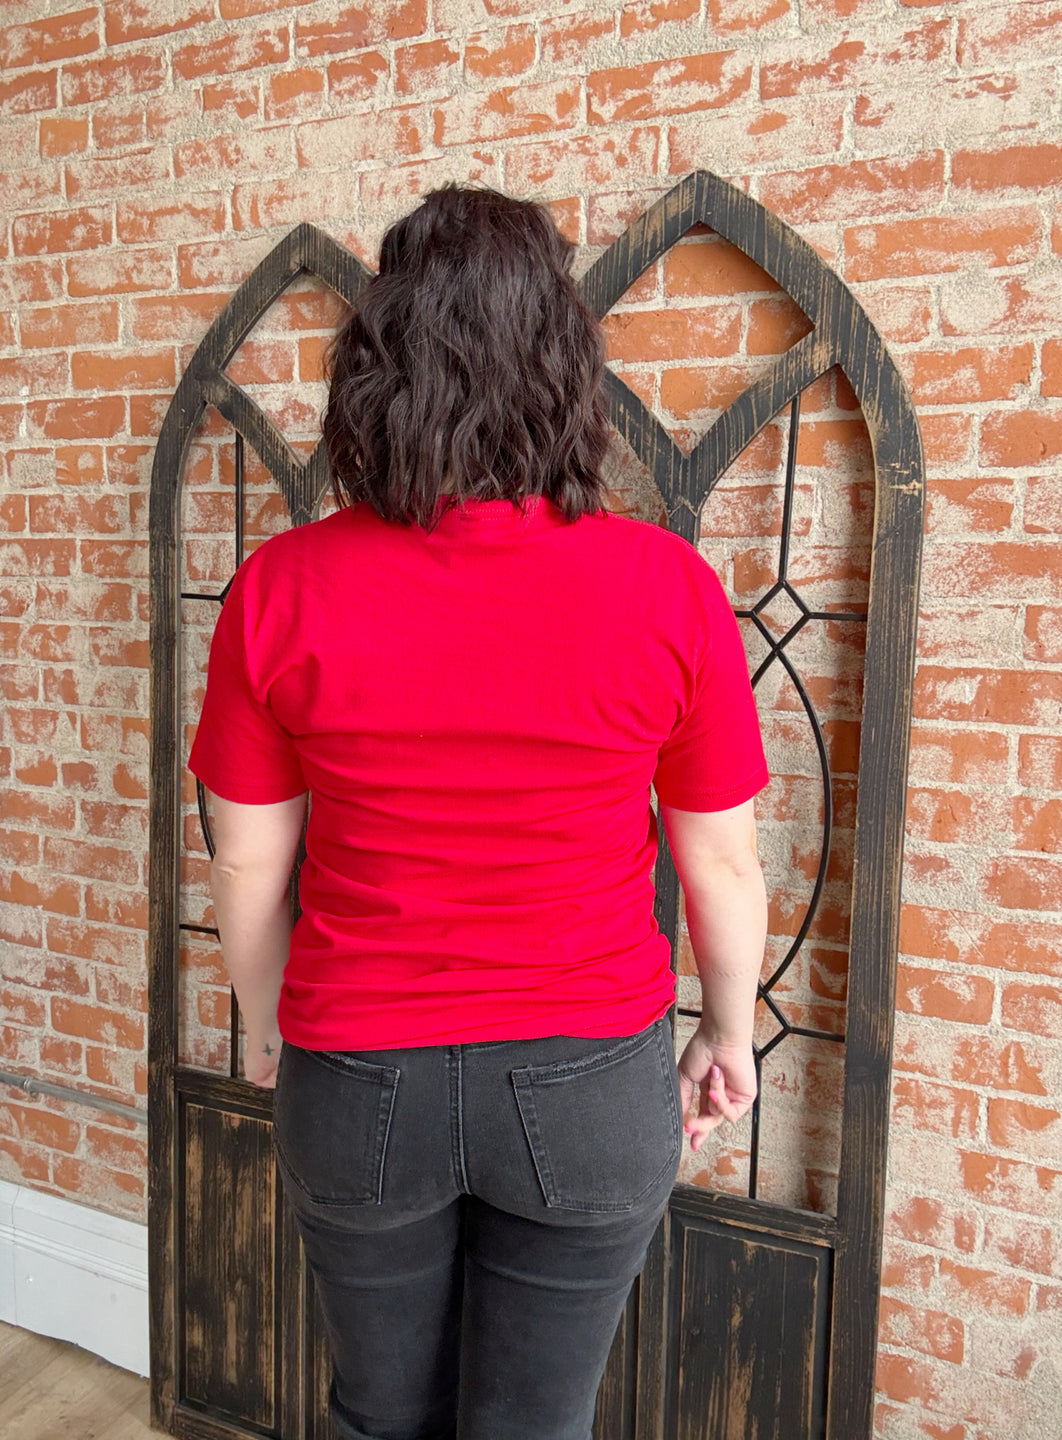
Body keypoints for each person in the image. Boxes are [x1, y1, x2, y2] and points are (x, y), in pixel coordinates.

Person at [188, 184, 769, 1440]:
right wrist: (728, 1034)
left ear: (376, 371)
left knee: (377, 1415)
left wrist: (281, 1028)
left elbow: (242, 864)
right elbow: (719, 863)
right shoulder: (665, 587)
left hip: (359, 1072)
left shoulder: (281, 588)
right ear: (565, 370)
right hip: (591, 1078)